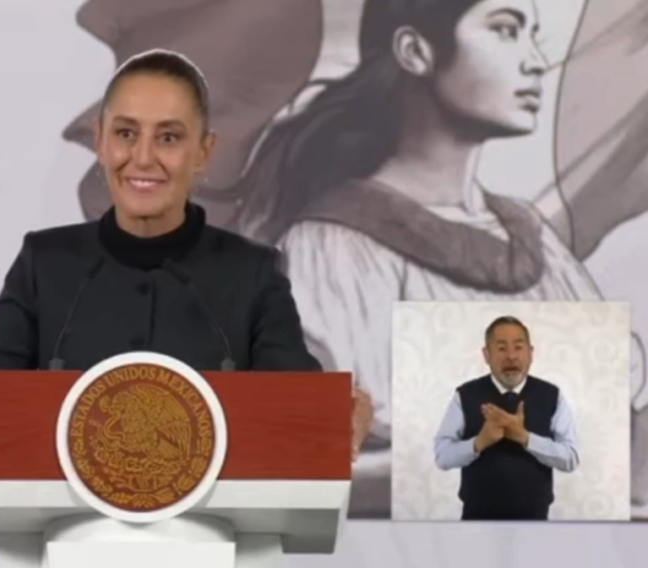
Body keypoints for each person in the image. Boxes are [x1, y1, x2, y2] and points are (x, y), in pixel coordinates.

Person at [226, 0, 647, 518]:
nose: (536, 61)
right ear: (415, 51)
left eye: (533, 35)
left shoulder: (535, 240)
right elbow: (299, 469)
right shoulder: (332, 247)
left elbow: (617, 437)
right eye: (506, 30)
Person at [0, 48, 374, 462]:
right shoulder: (45, 263)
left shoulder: (252, 273)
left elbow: (298, 402)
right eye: (126, 133)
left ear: (203, 152)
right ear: (101, 141)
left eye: (169, 138)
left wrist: (340, 412)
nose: (142, 157)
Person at [433, 316, 579, 520]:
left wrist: (524, 438)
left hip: (535, 522)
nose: (511, 356)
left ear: (530, 353)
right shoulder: (465, 395)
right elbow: (442, 457)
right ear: (487, 354)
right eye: (501, 348)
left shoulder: (552, 395)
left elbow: (570, 458)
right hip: (476, 522)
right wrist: (479, 442)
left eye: (518, 347)